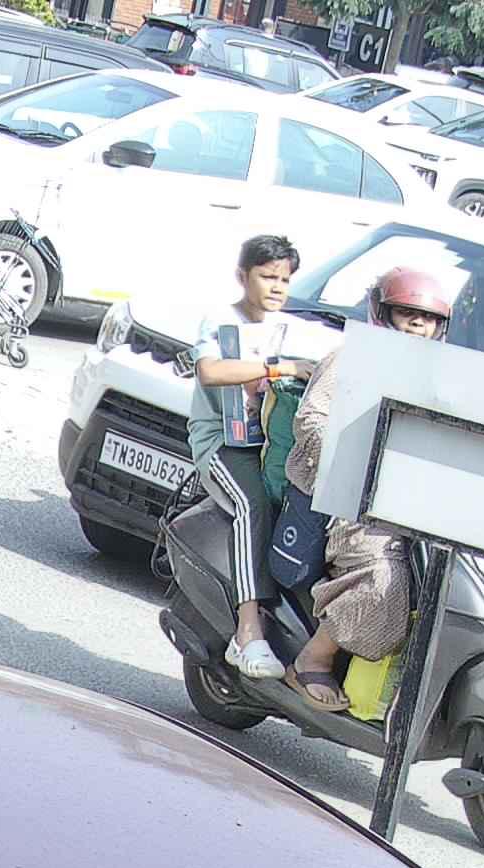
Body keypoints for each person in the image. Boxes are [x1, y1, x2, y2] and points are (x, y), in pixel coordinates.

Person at [277, 267, 454, 713]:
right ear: (381, 314)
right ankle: (313, 658)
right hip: (344, 495)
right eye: (407, 314)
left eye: (428, 318)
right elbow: (311, 421)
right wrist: (363, 465)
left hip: (410, 501)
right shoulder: (350, 359)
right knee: (383, 570)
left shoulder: (439, 377)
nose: (418, 325)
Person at [190, 236, 315, 681]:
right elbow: (210, 371)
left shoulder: (287, 328)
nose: (277, 287)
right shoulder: (222, 321)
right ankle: (246, 633)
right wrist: (279, 368)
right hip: (222, 443)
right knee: (253, 504)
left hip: (270, 445)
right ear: (243, 276)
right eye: (267, 277)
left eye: (284, 279)